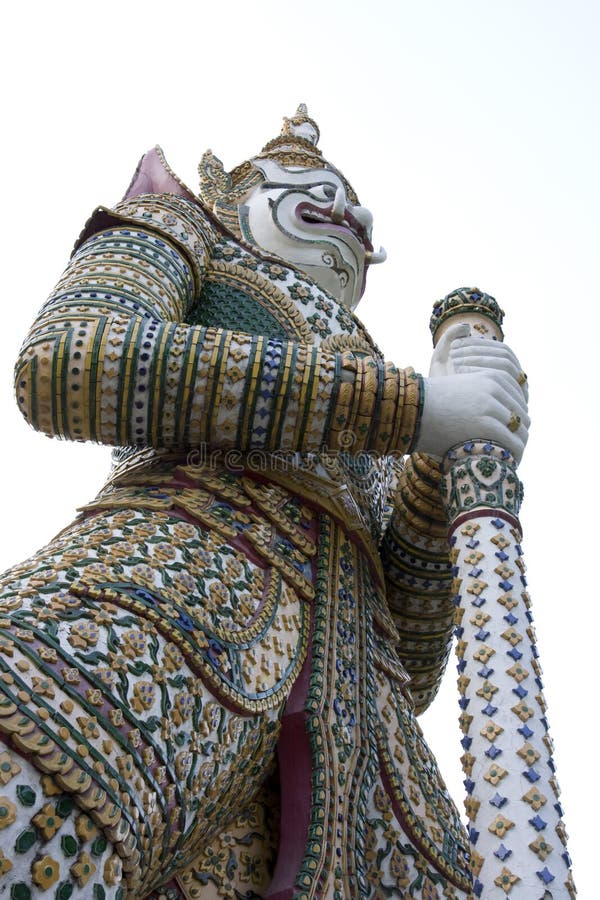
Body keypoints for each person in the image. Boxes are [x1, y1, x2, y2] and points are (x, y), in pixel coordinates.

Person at [1, 106, 528, 899]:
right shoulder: (184, 230)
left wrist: (442, 464)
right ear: (234, 192)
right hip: (170, 585)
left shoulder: (371, 362)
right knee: (35, 807)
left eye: (356, 204)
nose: (354, 215)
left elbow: (412, 659)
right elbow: (72, 361)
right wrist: (408, 408)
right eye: (312, 189)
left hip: (361, 731)